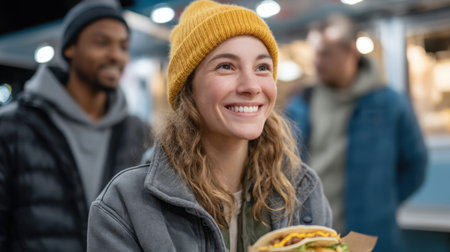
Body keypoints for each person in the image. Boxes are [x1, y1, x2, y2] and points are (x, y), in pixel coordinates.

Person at [87, 1, 331, 252]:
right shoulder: (123, 206)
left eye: (262, 67)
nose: (251, 86)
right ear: (188, 88)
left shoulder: (302, 190)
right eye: (226, 66)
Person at [0, 1, 152, 251]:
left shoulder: (139, 132)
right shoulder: (11, 127)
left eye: (123, 46)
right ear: (69, 48)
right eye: (101, 43)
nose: (116, 55)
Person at [284, 14, 428, 252]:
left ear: (351, 52)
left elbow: (415, 165)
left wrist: (382, 203)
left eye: (325, 53)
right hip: (311, 235)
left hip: (367, 236)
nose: (317, 62)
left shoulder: (389, 104)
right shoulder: (300, 104)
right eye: (315, 53)